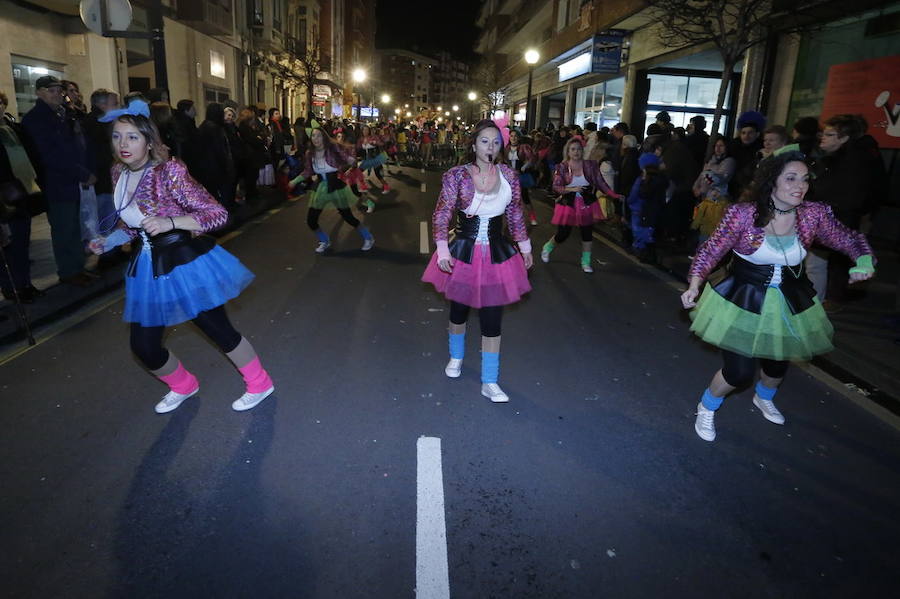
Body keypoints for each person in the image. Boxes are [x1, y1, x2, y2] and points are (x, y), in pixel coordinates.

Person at [88, 100, 275, 413]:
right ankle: (184, 385)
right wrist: (107, 241)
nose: (123, 144)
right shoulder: (117, 172)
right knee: (144, 347)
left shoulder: (169, 172)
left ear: (149, 141)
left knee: (218, 330)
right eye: (118, 136)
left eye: (133, 137)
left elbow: (217, 214)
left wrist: (170, 222)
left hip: (184, 261)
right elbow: (133, 227)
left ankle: (260, 383)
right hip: (148, 268)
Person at [681, 150, 875, 441]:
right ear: (772, 181)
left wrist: (863, 261)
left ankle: (764, 397)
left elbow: (846, 238)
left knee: (777, 362)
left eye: (805, 179)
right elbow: (711, 250)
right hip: (741, 300)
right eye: (791, 178)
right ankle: (707, 406)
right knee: (739, 372)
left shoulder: (813, 214)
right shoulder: (743, 214)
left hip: (789, 299)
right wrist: (695, 284)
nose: (800, 185)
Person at [421, 119, 533, 403]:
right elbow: (443, 212)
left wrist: (525, 246)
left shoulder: (508, 175)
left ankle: (489, 380)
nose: (490, 146)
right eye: (485, 141)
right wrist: (443, 250)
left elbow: (516, 214)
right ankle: (456, 357)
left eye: (496, 142)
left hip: (497, 254)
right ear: (474, 145)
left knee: (492, 317)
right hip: (464, 253)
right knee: (458, 310)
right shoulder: (457, 175)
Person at [20, 75, 96, 287]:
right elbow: (51, 155)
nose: (57, 94)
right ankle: (69, 271)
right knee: (64, 228)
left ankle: (76, 268)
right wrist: (81, 173)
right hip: (56, 182)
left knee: (72, 227)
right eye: (50, 90)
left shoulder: (61, 115)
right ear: (39, 93)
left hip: (68, 180)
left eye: (58, 90)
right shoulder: (37, 119)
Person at [288, 122, 374, 253]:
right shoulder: (309, 154)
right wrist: (294, 181)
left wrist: (351, 161)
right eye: (313, 136)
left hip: (336, 187)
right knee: (311, 220)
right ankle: (324, 240)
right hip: (321, 188)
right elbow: (308, 172)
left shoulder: (332, 149)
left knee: (348, 217)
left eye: (318, 136)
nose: (315, 139)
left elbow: (346, 157)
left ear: (324, 137)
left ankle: (368, 237)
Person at [541, 138, 623, 273]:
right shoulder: (562, 167)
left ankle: (585, 262)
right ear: (568, 151)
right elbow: (556, 186)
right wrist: (571, 189)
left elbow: (601, 183)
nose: (576, 152)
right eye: (573, 149)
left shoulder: (591, 165)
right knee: (563, 234)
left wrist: (614, 195)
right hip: (568, 203)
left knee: (587, 233)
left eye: (579, 149)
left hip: (587, 203)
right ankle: (548, 247)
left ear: (583, 151)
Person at [1, 90, 43, 302]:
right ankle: (13, 288)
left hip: (22, 191)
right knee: (9, 245)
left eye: (1, 102)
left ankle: (24, 283)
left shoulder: (12, 129)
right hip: (4, 198)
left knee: (22, 242)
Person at [84, 89, 120, 237]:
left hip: (104, 179)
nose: (117, 107)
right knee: (105, 220)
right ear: (102, 104)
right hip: (101, 180)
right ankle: (107, 255)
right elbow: (99, 153)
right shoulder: (96, 123)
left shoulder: (101, 122)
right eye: (115, 103)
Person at [691, 135, 736, 242]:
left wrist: (707, 175)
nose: (718, 148)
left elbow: (717, 179)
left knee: (712, 228)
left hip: (718, 201)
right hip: (705, 199)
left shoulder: (729, 162)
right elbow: (702, 176)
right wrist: (695, 187)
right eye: (716, 146)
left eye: (721, 146)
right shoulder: (711, 160)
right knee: (703, 226)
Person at [193, 103, 236, 211]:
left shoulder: (204, 126)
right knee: (221, 194)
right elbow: (220, 150)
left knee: (211, 194)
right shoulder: (216, 128)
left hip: (206, 166)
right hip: (216, 167)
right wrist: (226, 165)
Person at [627, 152, 668, 263]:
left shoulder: (645, 180)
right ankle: (646, 252)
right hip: (652, 211)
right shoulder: (661, 179)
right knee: (648, 232)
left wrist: (629, 203)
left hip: (641, 210)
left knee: (640, 232)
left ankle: (642, 252)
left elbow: (637, 194)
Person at [727, 110, 765, 199]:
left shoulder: (761, 150)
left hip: (751, 190)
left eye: (750, 133)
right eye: (743, 133)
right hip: (732, 188)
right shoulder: (733, 146)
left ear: (757, 134)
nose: (746, 136)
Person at [504, 129, 538, 225]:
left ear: (518, 138)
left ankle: (532, 217)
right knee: (510, 199)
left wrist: (524, 167)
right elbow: (504, 161)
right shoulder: (506, 149)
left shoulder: (524, 147)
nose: (513, 138)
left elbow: (532, 159)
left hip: (521, 177)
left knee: (524, 196)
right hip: (510, 177)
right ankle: (513, 218)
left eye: (515, 136)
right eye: (511, 136)